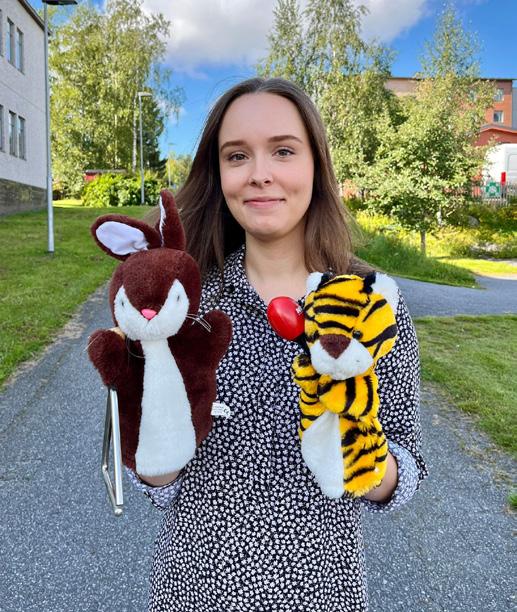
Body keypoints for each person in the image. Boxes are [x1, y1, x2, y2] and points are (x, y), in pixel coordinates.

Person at [127, 77, 429, 611]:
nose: (259, 173)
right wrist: (152, 414)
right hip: (193, 592)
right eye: (237, 155)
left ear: (315, 166)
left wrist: (356, 433)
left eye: (283, 151)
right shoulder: (182, 304)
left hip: (325, 595)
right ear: (219, 175)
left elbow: (405, 471)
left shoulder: (372, 303)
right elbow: (155, 482)